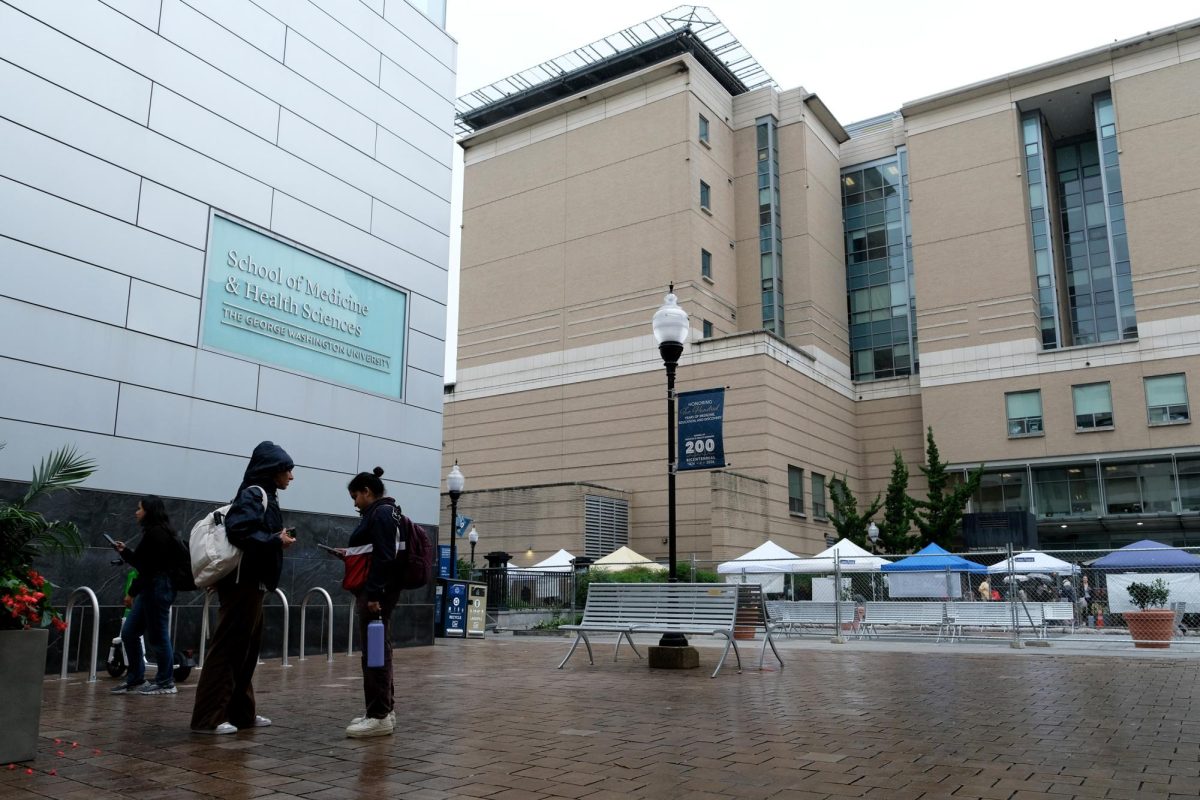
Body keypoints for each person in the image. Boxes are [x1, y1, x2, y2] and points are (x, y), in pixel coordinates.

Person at [190, 441, 296, 735]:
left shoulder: (265, 495)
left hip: (253, 584)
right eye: (287, 470)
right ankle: (208, 718)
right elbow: (240, 530)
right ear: (273, 470)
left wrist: (276, 537)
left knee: (246, 650)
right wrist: (276, 541)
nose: (291, 476)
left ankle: (241, 714)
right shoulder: (254, 493)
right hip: (243, 585)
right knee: (228, 649)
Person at [340, 467, 402, 738]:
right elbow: (377, 552)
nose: (354, 502)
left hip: (376, 592)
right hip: (379, 590)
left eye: (355, 496)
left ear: (367, 491)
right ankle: (382, 710)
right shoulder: (385, 512)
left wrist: (374, 595)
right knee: (379, 649)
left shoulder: (380, 513)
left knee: (375, 653)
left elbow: (384, 556)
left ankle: (379, 715)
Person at [110, 496, 179, 695]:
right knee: (130, 632)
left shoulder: (156, 534)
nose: (136, 512)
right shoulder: (156, 532)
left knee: (158, 636)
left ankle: (166, 682)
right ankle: (136, 679)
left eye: (139, 509)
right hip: (152, 587)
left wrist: (131, 593)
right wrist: (125, 552)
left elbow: (148, 568)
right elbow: (143, 562)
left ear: (149, 511)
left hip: (157, 588)